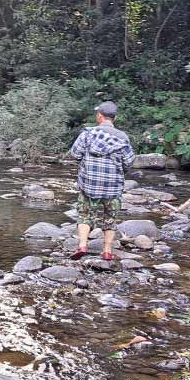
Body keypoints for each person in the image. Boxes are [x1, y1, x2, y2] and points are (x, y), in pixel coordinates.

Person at [68, 101, 135, 261]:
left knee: (84, 214)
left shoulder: (87, 134)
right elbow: (129, 162)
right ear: (115, 118)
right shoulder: (123, 138)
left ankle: (83, 245)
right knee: (110, 218)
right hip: (113, 187)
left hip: (89, 184)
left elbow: (75, 154)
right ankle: (106, 251)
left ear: (99, 116)